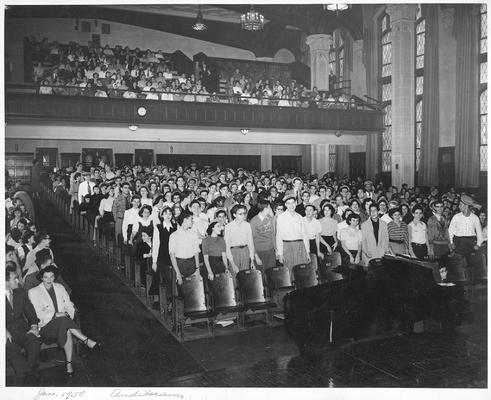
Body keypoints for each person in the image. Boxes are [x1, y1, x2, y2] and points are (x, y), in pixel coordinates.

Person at [28, 265, 100, 377]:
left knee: (66, 329)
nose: (49, 280)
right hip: (45, 327)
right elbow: (37, 313)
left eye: (51, 277)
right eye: (46, 277)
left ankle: (69, 365)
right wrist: (57, 315)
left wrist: (67, 314)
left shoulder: (60, 287)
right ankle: (86, 341)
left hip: (63, 324)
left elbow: (69, 305)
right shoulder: (34, 292)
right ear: (41, 278)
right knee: (63, 321)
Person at [6, 264, 41, 385]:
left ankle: (26, 373)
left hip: (22, 330)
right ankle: (24, 375)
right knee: (10, 348)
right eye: (14, 278)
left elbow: (30, 310)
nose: (18, 280)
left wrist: (34, 326)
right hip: (7, 334)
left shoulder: (20, 292)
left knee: (34, 341)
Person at [276, 195, 310, 274]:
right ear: (285, 205)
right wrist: (280, 254)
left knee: (301, 272)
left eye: (293, 203)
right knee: (290, 272)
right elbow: (279, 237)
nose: (291, 205)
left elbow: (305, 236)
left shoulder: (300, 217)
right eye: (288, 203)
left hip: (300, 247)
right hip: (287, 247)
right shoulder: (281, 218)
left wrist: (307, 252)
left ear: (296, 203)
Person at [151, 207, 177, 308]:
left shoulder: (175, 226)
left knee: (171, 277)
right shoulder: (158, 227)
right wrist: (154, 261)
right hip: (161, 255)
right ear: (162, 215)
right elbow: (156, 244)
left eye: (170, 213)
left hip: (172, 255)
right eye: (165, 213)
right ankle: (157, 299)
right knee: (157, 273)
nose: (168, 215)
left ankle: (171, 300)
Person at [169, 212, 201, 285]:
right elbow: (172, 256)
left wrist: (197, 269)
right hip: (179, 264)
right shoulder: (174, 236)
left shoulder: (193, 234)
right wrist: (178, 273)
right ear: (185, 220)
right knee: (180, 291)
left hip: (192, 264)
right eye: (191, 219)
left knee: (194, 290)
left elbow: (196, 252)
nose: (192, 221)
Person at [448, 194, 483, 260]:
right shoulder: (456, 217)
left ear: (466, 206)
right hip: (458, 243)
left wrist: (478, 244)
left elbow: (479, 232)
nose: (459, 206)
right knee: (459, 263)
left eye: (460, 205)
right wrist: (451, 243)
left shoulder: (475, 218)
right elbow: (450, 231)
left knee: (470, 263)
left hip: (470, 243)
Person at [224, 204, 255, 273]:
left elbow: (250, 242)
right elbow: (227, 246)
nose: (243, 216)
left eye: (244, 213)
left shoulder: (247, 225)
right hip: (234, 252)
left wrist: (252, 259)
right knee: (235, 274)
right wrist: (232, 262)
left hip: (245, 251)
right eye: (240, 214)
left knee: (245, 275)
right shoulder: (228, 227)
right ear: (234, 215)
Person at [249, 199, 276, 275]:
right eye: (270, 208)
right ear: (266, 209)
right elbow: (251, 240)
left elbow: (272, 235)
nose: (271, 210)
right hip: (259, 251)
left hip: (270, 250)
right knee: (261, 274)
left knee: (271, 273)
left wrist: (275, 249)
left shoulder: (270, 219)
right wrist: (256, 256)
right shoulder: (253, 221)